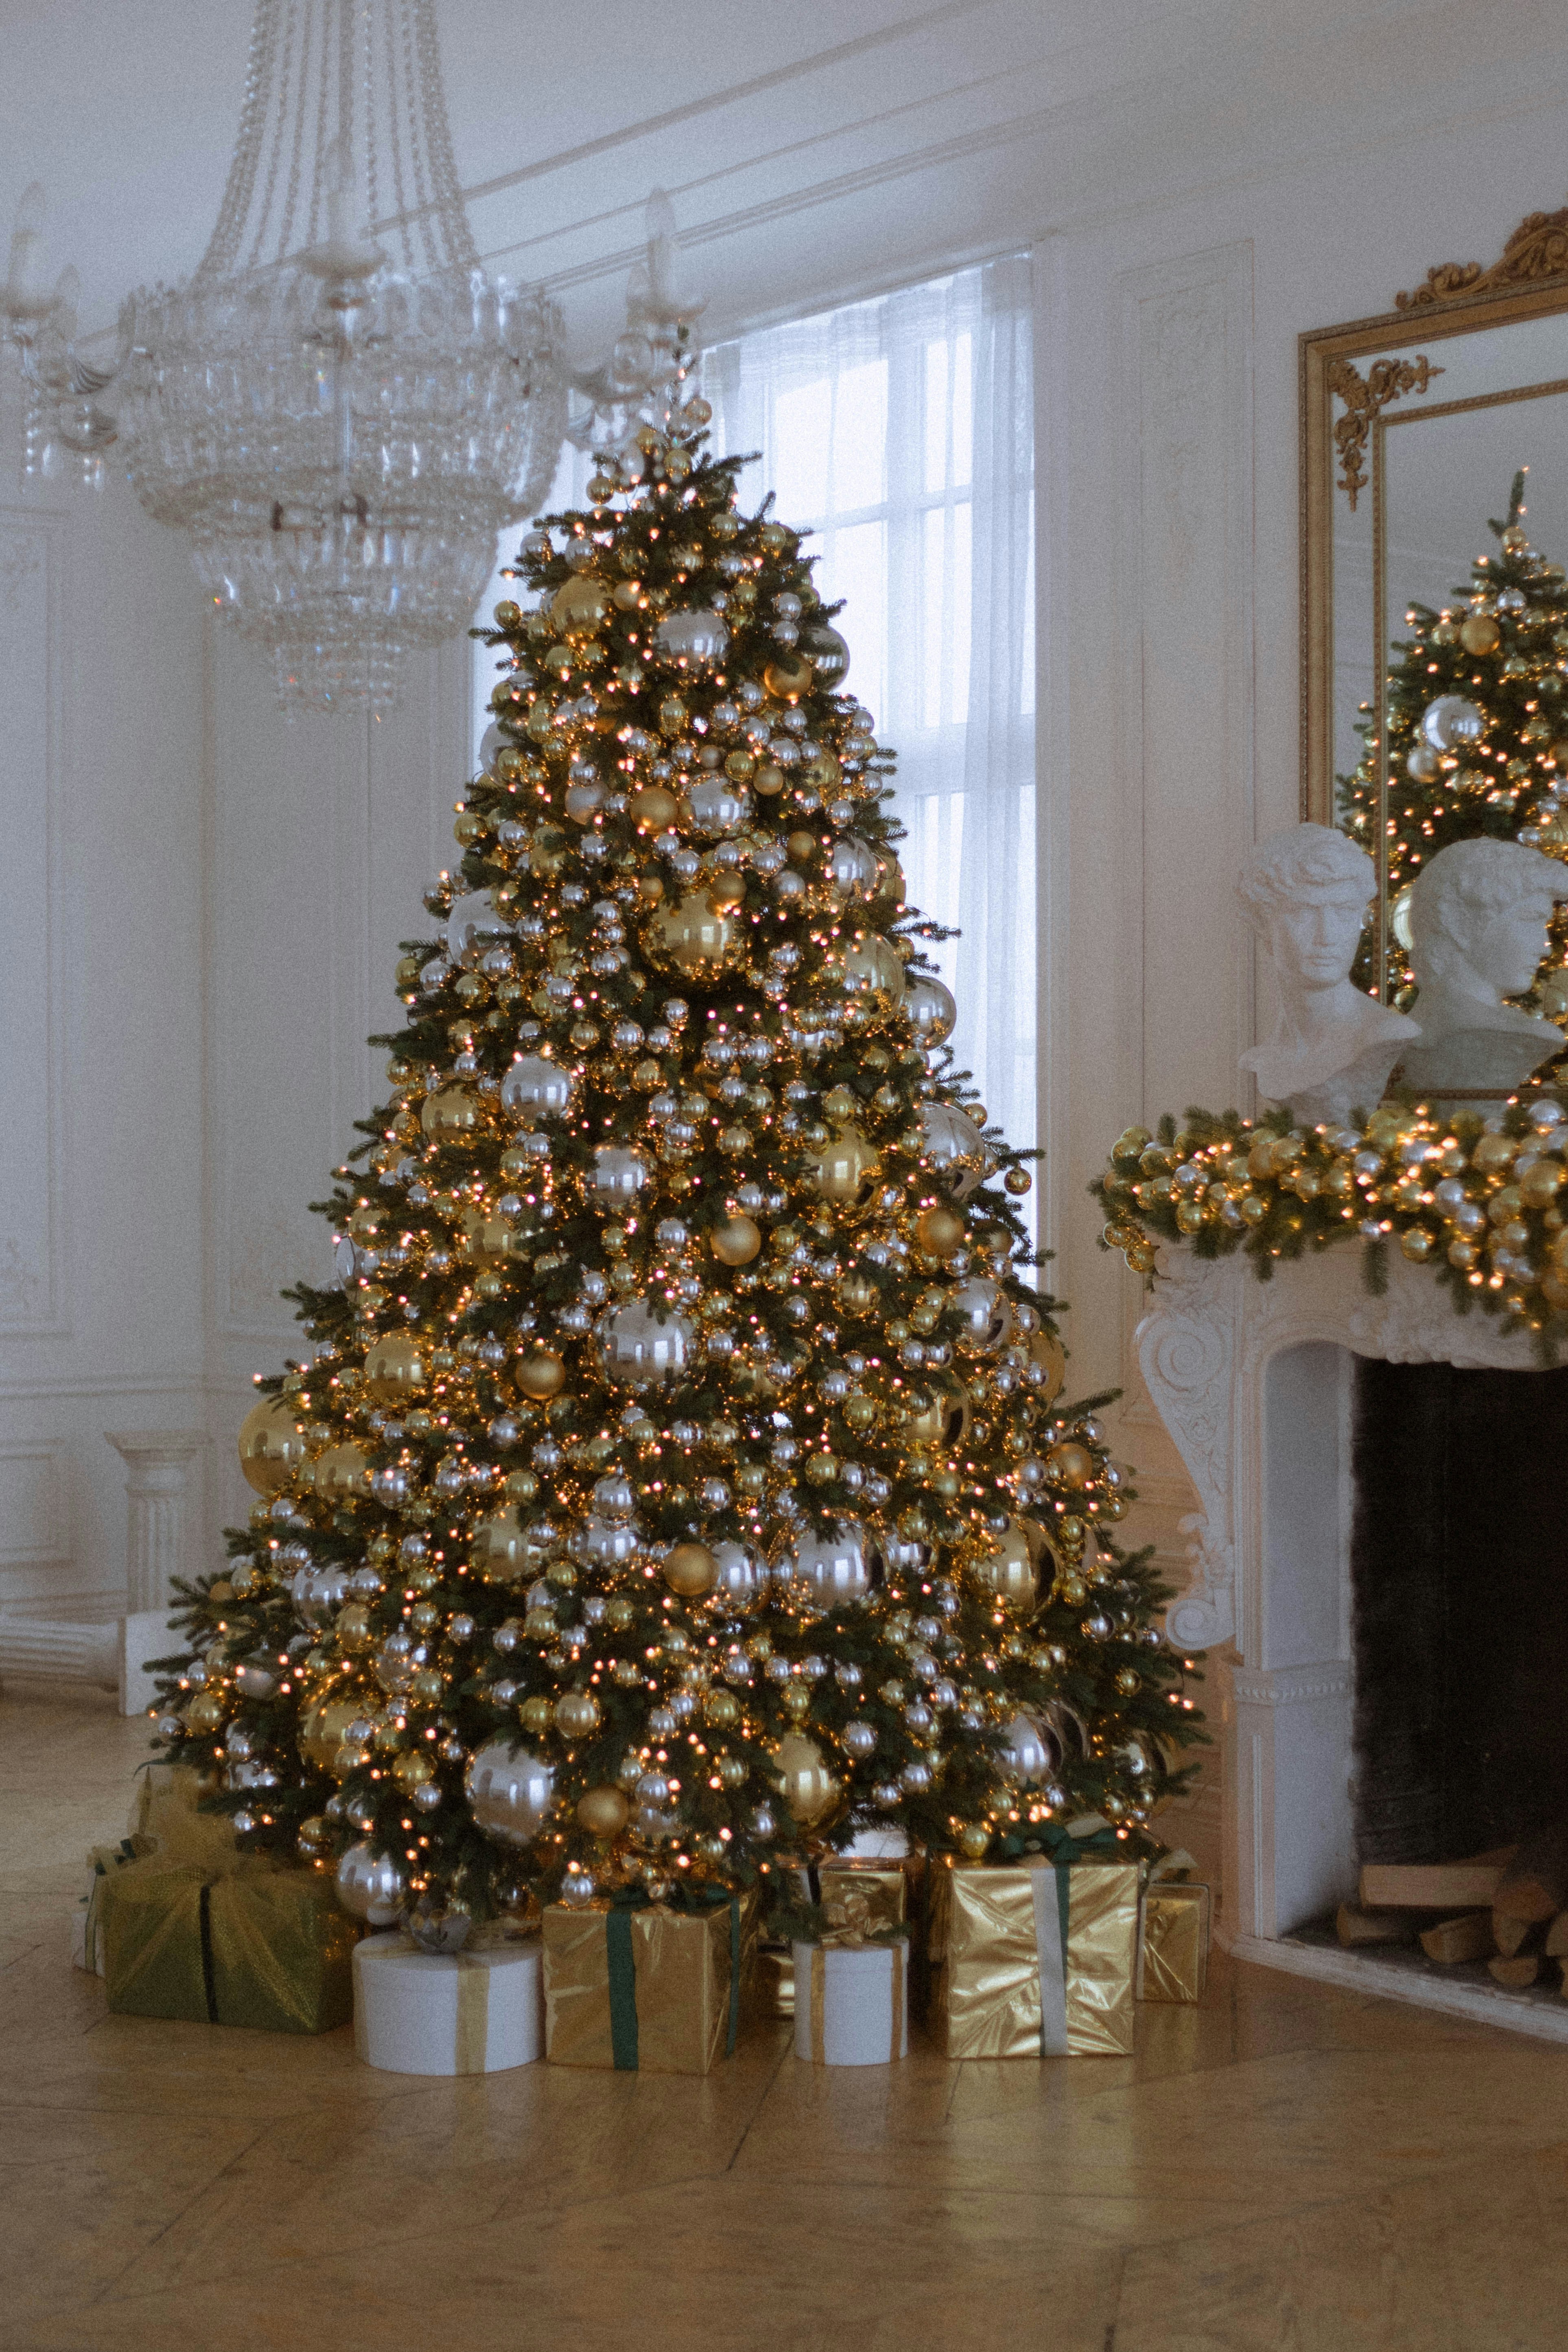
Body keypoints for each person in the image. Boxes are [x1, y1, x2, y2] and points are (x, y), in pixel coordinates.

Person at [1236, 823, 1418, 1126]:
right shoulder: (1267, 1054)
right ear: (1264, 927)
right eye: (1303, 913)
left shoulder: (1383, 1034)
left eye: (1344, 912)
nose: (1328, 935)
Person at [1399, 837, 1566, 1096]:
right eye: (1531, 919)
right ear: (1462, 923)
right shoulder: (1516, 1034)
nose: (1546, 948)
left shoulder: (1401, 1032)